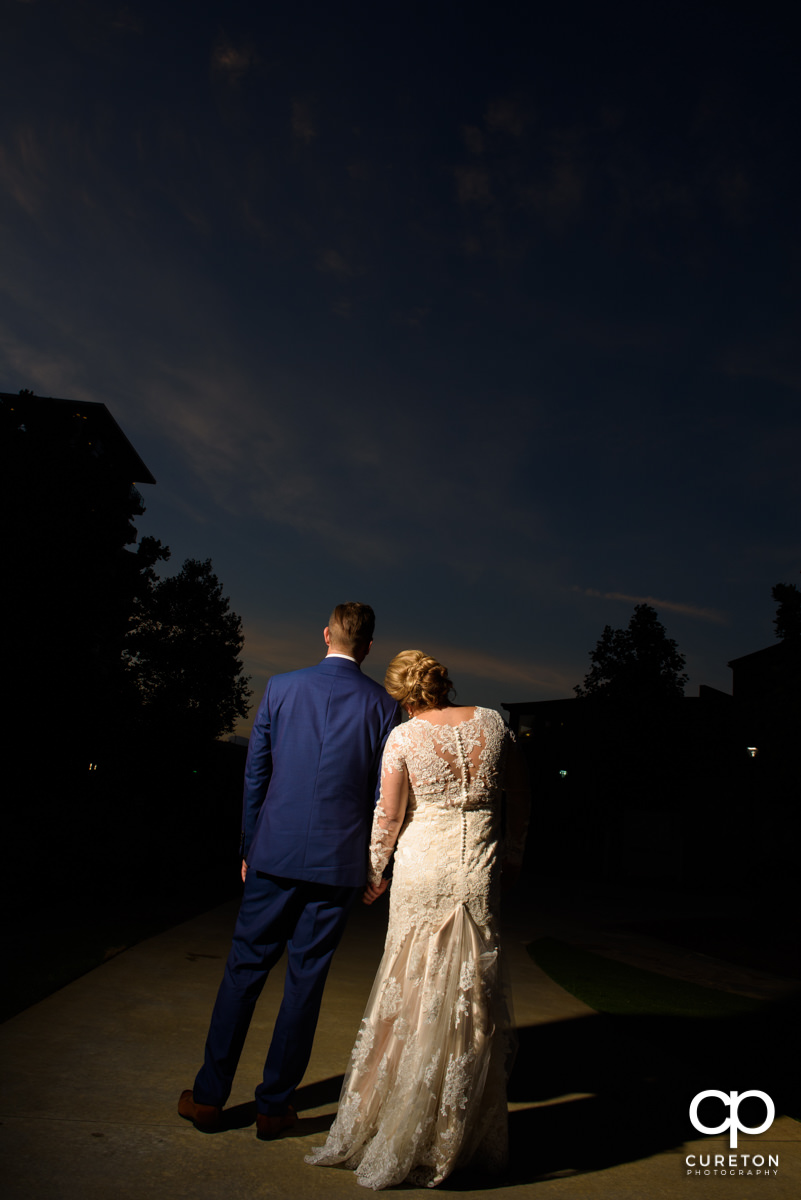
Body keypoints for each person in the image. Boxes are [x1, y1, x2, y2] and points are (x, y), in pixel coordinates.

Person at [306, 649, 529, 1188]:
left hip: (422, 868)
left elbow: (390, 814)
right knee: (470, 997)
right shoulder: (493, 724)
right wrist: (514, 855)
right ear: (441, 684)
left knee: (410, 989)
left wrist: (373, 870)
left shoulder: (405, 738)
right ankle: (457, 1132)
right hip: (478, 869)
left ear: (403, 695)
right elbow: (520, 799)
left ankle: (402, 1122)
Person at [179, 603, 400, 1139]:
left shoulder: (280, 688)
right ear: (368, 645)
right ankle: (274, 1108)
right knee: (306, 982)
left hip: (274, 855)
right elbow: (383, 796)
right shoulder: (383, 706)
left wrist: (250, 846)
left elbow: (256, 774)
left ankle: (209, 1099)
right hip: (337, 864)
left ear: (325, 635)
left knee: (243, 973)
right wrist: (375, 865)